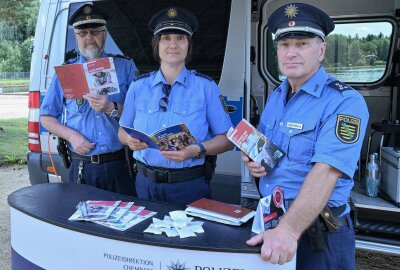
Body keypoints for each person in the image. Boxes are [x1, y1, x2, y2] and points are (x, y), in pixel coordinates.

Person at [243, 3, 369, 269]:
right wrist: (257, 161)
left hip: (316, 234)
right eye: (284, 45)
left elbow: (327, 172)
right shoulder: (277, 95)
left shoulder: (345, 102)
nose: (291, 53)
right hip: (273, 224)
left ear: (321, 50)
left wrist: (288, 232)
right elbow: (271, 150)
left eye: (301, 44)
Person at [118, 6, 234, 206]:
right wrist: (129, 140)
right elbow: (122, 130)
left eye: (180, 38)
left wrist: (195, 150)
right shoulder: (138, 87)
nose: (173, 44)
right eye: (166, 38)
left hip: (188, 186)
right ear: (157, 44)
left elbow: (227, 140)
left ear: (189, 44)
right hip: (144, 184)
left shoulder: (205, 87)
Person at [40, 4, 138, 195]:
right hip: (82, 165)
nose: (89, 38)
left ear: (105, 34)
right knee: (83, 222)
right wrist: (71, 136)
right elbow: (46, 117)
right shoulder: (65, 72)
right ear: (76, 37)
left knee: (123, 221)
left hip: (120, 163)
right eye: (82, 33)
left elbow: (141, 113)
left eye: (95, 32)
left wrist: (112, 107)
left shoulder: (124, 66)